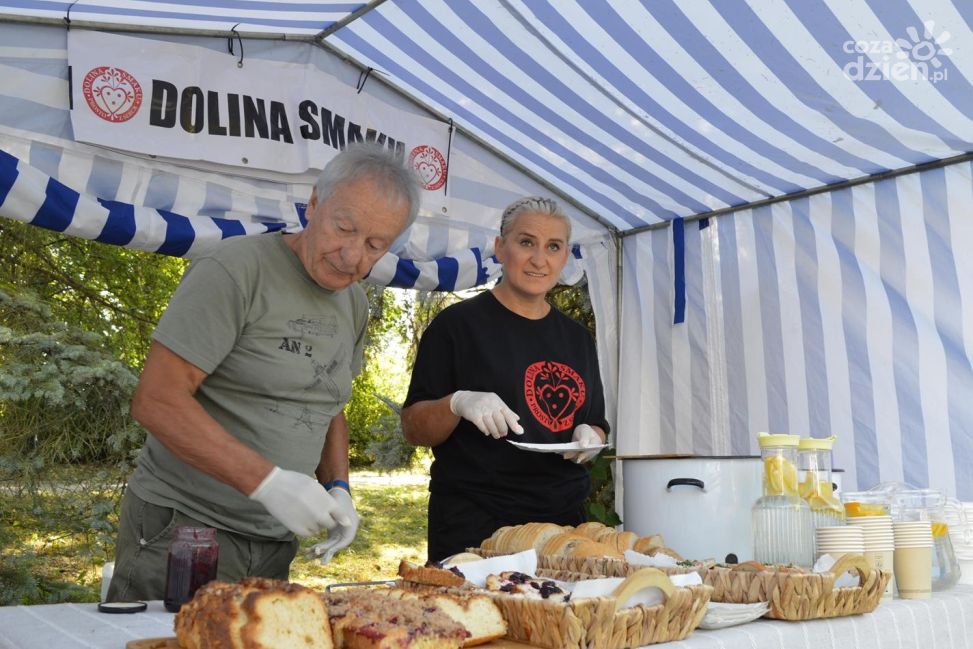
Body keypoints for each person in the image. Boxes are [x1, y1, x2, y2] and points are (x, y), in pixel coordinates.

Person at [107, 144, 420, 601]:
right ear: (314, 204)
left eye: (375, 245)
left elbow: (328, 403)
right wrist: (267, 482)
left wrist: (338, 487)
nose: (352, 256)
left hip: (274, 542)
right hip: (186, 530)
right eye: (344, 228)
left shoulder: (353, 302)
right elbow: (157, 400)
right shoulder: (236, 271)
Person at [400, 196, 609, 562]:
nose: (539, 259)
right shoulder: (457, 327)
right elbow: (414, 428)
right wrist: (456, 403)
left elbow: (596, 422)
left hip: (561, 527)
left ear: (564, 258)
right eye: (526, 242)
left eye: (553, 247)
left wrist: (590, 438)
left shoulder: (577, 339)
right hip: (475, 524)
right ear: (500, 247)